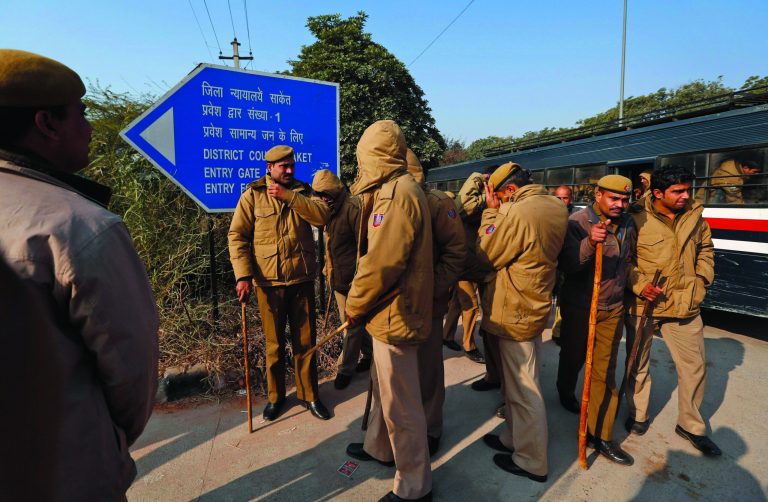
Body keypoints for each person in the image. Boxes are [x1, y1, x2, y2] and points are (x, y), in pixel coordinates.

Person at [0, 49, 159, 500]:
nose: (89, 128)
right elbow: (131, 366)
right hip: (66, 468)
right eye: (80, 113)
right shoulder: (77, 226)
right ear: (46, 124)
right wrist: (107, 437)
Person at [344, 120, 434, 502]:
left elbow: (381, 263)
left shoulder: (398, 194)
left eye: (363, 157)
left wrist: (354, 305)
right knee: (385, 393)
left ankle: (415, 486)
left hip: (395, 313)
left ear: (374, 156)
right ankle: (379, 449)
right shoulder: (395, 189)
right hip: (388, 312)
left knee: (403, 406)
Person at [476, 162, 568, 483]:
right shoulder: (554, 205)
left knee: (524, 391)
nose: (497, 199)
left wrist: (491, 214)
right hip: (533, 303)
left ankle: (532, 460)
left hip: (514, 308)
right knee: (518, 385)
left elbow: (487, 254)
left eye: (499, 195)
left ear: (510, 190)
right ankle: (512, 439)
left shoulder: (518, 212)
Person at [228, 145, 332, 421]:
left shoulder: (303, 192)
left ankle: (309, 395)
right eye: (282, 166)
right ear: (269, 168)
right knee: (274, 345)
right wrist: (243, 275)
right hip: (269, 283)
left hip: (301, 279)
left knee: (306, 342)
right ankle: (276, 397)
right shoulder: (253, 196)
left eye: (291, 165)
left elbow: (322, 218)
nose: (288, 170)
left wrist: (288, 197)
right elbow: (237, 236)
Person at [624, 164, 721, 457]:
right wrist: (640, 285)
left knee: (694, 367)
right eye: (677, 191)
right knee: (638, 364)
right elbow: (623, 260)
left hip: (686, 304)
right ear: (657, 193)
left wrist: (702, 278)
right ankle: (638, 414)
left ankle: (691, 425)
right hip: (644, 305)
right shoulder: (634, 218)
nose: (684, 196)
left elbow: (706, 249)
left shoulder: (695, 216)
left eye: (687, 190)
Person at [556, 175, 636, 466]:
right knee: (574, 357)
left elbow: (628, 264)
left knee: (605, 371)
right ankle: (564, 389)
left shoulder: (628, 223)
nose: (620, 204)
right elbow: (568, 265)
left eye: (625, 199)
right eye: (614, 198)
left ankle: (600, 434)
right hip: (581, 306)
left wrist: (637, 287)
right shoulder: (577, 222)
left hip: (612, 307)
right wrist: (590, 242)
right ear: (598, 195)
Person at [406, 149, 465, 457]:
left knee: (428, 371)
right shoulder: (386, 199)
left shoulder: (439, 203)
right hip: (394, 307)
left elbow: (456, 253)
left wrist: (433, 291)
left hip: (427, 304)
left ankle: (431, 429)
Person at [312, 169, 372, 390]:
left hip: (354, 282)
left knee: (351, 326)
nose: (322, 198)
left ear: (336, 191)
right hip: (337, 281)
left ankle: (345, 369)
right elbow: (330, 247)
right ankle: (371, 354)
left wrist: (360, 281)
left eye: (325, 193)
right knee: (351, 324)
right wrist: (328, 270)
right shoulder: (329, 211)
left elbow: (364, 247)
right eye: (319, 194)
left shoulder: (352, 208)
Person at [550, 184, 575, 346]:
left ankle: (558, 332)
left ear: (571, 199)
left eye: (565, 198)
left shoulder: (575, 217)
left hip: (566, 264)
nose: (561, 201)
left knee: (562, 299)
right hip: (551, 263)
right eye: (558, 198)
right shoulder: (546, 214)